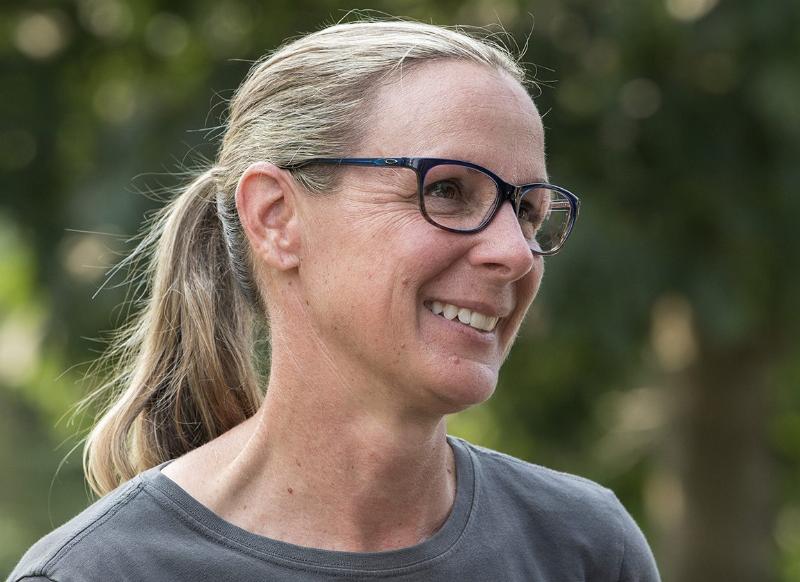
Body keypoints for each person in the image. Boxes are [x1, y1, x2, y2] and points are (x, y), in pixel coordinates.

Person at [8, 19, 660, 581]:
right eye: (448, 191)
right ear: (276, 218)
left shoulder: (581, 549)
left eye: (527, 211)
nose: (516, 253)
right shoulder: (101, 572)